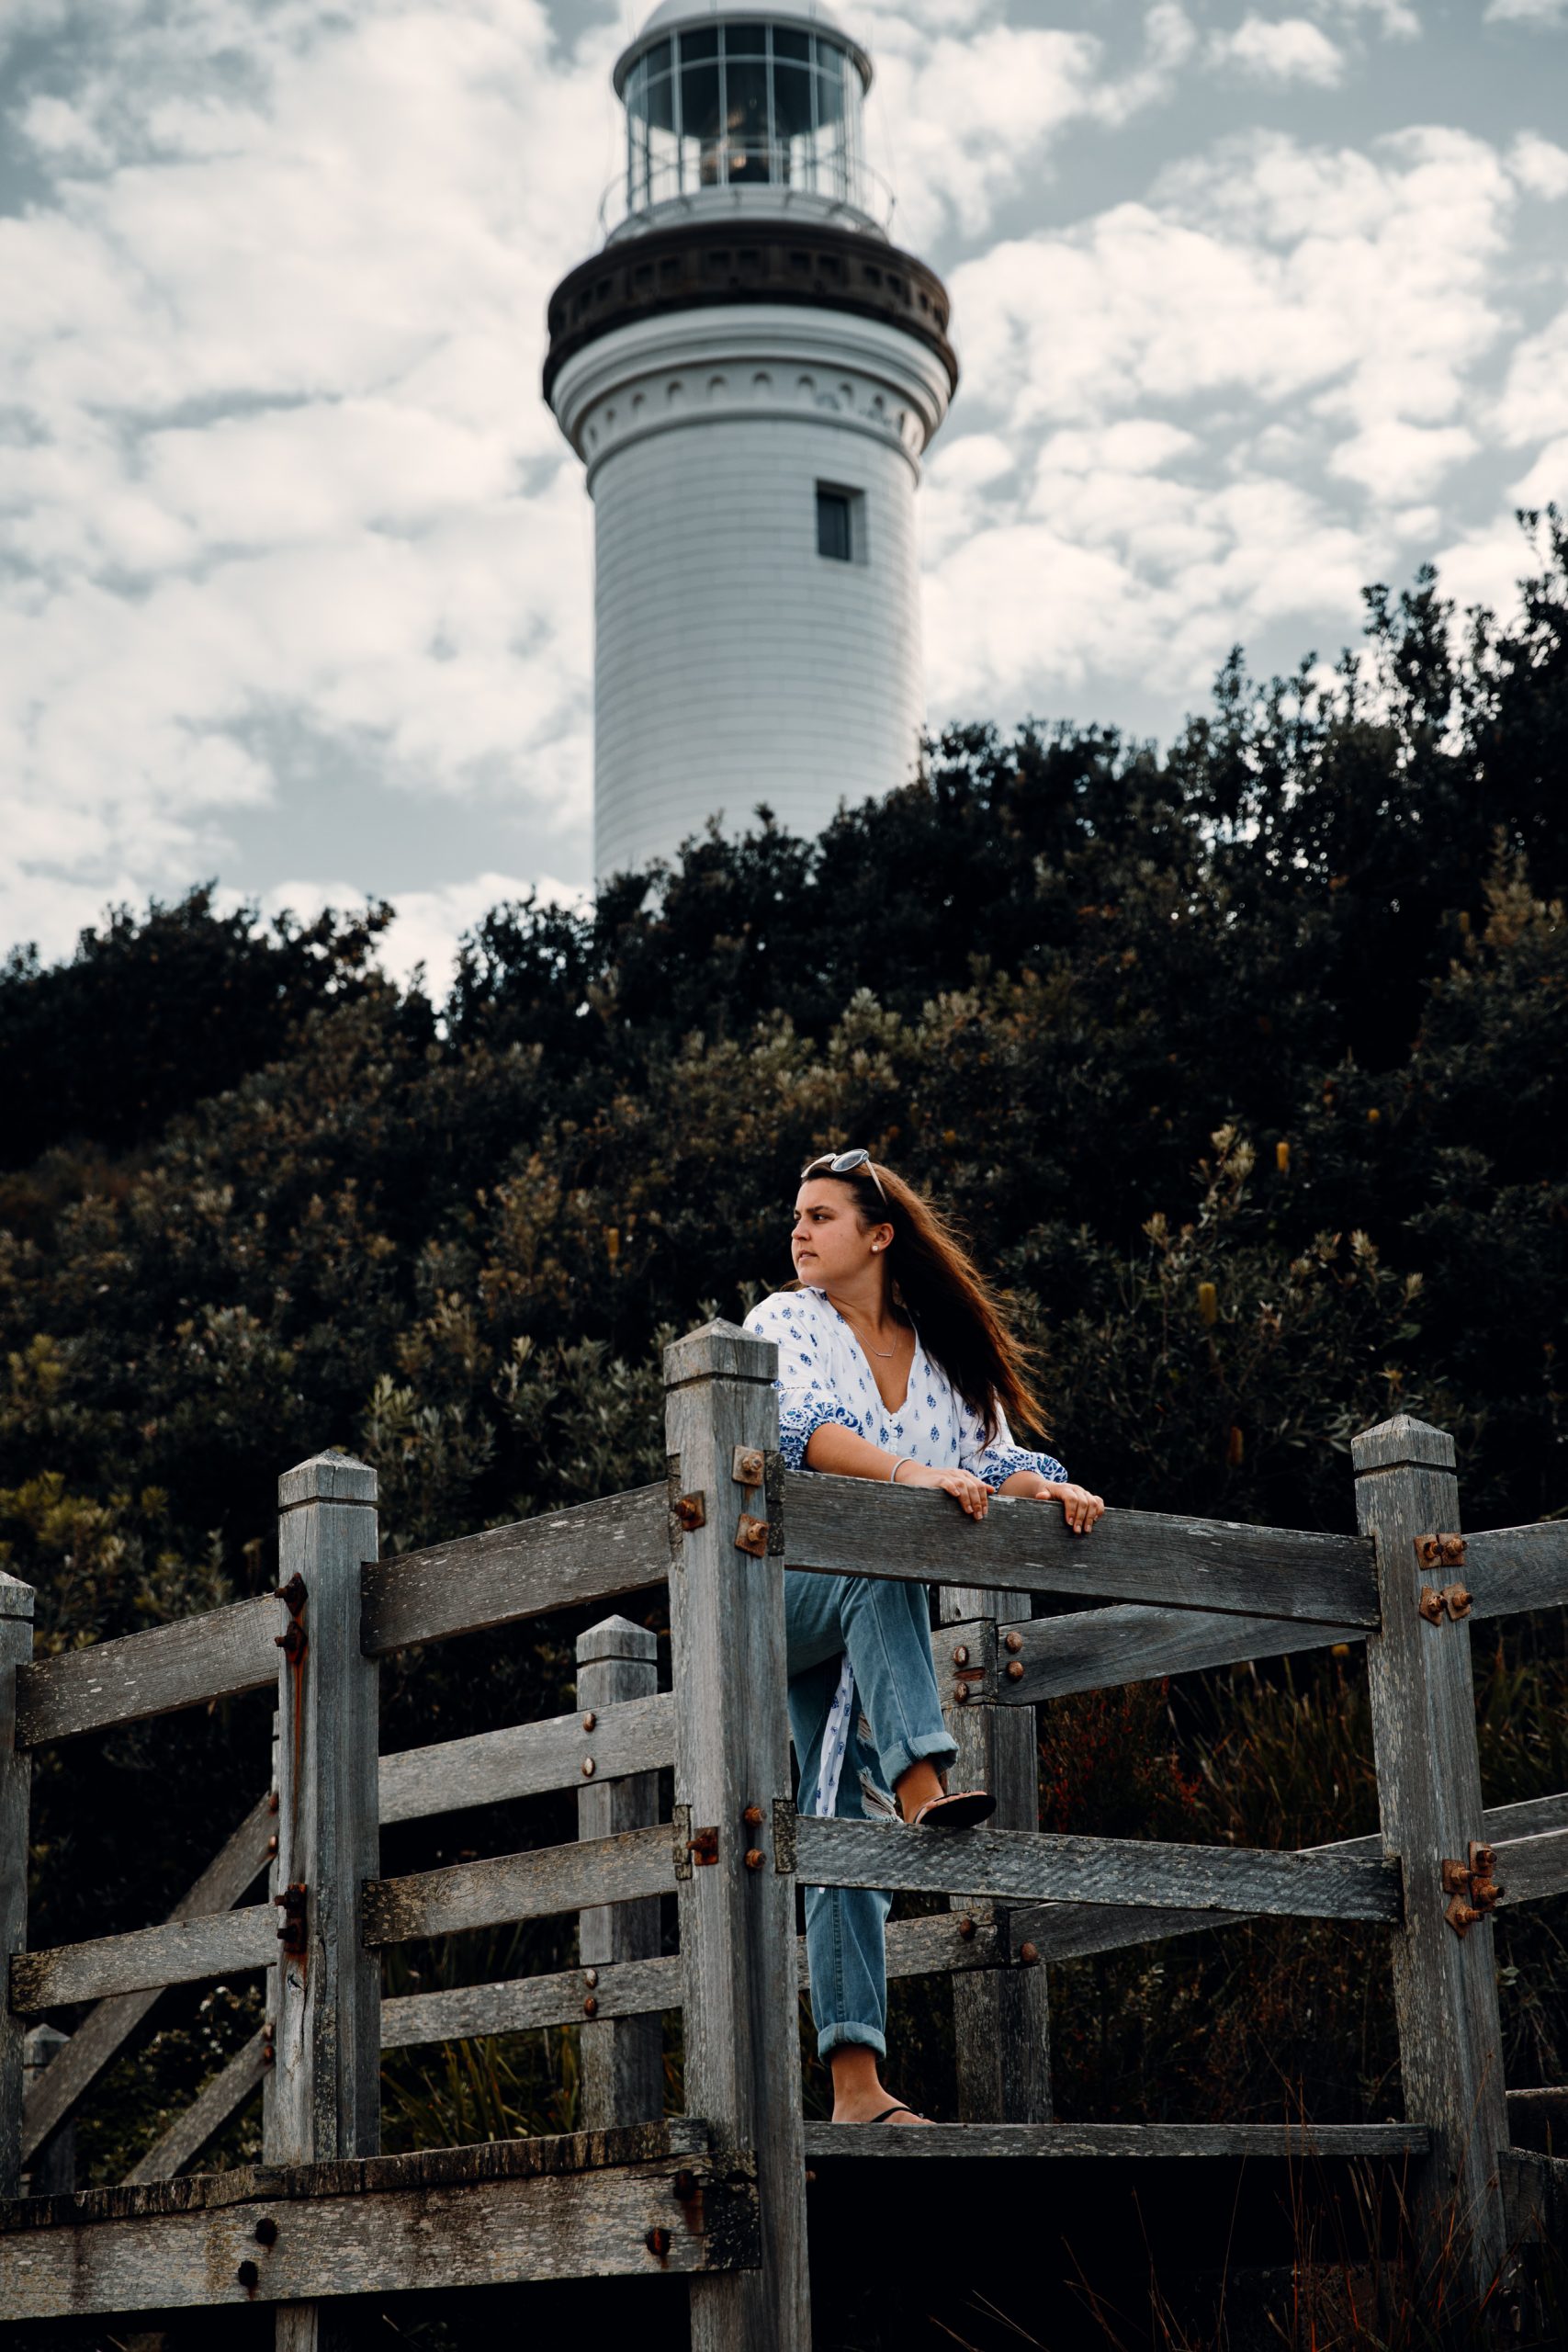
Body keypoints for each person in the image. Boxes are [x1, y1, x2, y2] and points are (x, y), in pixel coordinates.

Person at [743, 1148, 1105, 2127]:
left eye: (821, 1216)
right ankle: (922, 1785)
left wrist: (1047, 1487)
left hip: (866, 1619)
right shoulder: (785, 1322)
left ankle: (856, 2087)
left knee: (836, 1830)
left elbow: (995, 1460)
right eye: (796, 1216)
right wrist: (908, 1478)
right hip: (774, 1596)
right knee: (881, 1552)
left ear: (880, 1233)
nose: (801, 1232)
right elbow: (801, 1434)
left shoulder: (938, 1362)